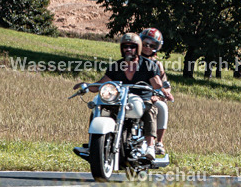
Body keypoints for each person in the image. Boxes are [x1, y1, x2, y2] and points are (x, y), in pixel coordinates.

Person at [73, 33, 174, 158]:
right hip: (119, 99)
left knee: (150, 110)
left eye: (132, 46)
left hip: (142, 99)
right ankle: (93, 144)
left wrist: (163, 92)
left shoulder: (148, 65)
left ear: (138, 48)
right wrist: (87, 86)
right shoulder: (116, 66)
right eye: (125, 46)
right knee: (97, 108)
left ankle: (151, 146)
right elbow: (101, 83)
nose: (128, 49)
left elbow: (157, 84)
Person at [139, 27, 172, 155]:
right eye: (145, 44)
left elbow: (165, 86)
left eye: (152, 45)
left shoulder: (157, 65)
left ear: (157, 47)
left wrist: (158, 96)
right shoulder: (130, 60)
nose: (148, 47)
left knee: (162, 107)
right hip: (131, 95)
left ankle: (159, 142)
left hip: (150, 97)